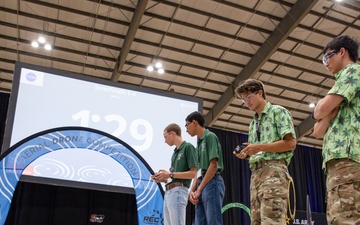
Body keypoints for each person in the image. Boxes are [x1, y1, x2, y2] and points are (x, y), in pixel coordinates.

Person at [234, 79, 297, 225]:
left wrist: (259, 147)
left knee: (272, 220)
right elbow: (256, 150)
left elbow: (290, 143)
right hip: (255, 174)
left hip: (273, 171)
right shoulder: (253, 123)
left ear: (260, 93)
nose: (247, 102)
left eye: (249, 97)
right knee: (256, 221)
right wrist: (247, 153)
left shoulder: (278, 112)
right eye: (244, 99)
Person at [312, 35, 360, 225]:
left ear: (342, 52)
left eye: (327, 57)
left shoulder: (352, 71)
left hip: (348, 160)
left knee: (344, 219)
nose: (326, 64)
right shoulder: (342, 85)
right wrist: (328, 112)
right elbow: (317, 132)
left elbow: (318, 111)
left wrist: (325, 109)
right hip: (341, 164)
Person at [151, 123, 197, 225]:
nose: (165, 141)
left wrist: (170, 175)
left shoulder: (188, 147)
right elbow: (174, 177)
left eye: (165, 137)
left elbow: (194, 173)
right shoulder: (175, 153)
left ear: (172, 133)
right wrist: (162, 178)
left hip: (179, 191)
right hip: (169, 192)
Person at [185, 111, 225, 225]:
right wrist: (192, 190)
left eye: (187, 125)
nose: (186, 129)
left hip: (212, 182)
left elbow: (213, 165)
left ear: (194, 122)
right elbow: (198, 171)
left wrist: (199, 189)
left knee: (213, 221)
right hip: (201, 184)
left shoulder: (210, 137)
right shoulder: (198, 145)